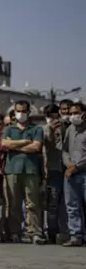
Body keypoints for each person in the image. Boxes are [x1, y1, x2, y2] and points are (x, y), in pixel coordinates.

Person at [1, 100, 45, 244]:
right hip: (12, 170)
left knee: (32, 203)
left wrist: (15, 146)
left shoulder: (36, 129)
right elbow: (5, 144)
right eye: (18, 111)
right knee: (13, 203)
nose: (21, 114)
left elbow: (36, 147)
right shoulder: (9, 129)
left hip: (30, 170)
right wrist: (25, 142)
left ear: (28, 112)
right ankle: (15, 232)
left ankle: (34, 232)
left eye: (24, 111)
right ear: (14, 112)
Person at [42, 104, 68, 244]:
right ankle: (52, 233)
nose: (52, 119)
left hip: (66, 168)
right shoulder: (44, 129)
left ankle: (65, 231)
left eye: (54, 116)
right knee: (53, 203)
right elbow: (48, 144)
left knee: (66, 203)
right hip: (53, 169)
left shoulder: (66, 127)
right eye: (49, 116)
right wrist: (51, 129)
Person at [61, 102, 86, 247]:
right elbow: (64, 150)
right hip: (70, 173)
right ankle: (75, 235)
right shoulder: (70, 129)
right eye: (70, 113)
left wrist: (77, 166)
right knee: (71, 205)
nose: (72, 116)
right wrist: (68, 163)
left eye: (75, 113)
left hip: (83, 171)